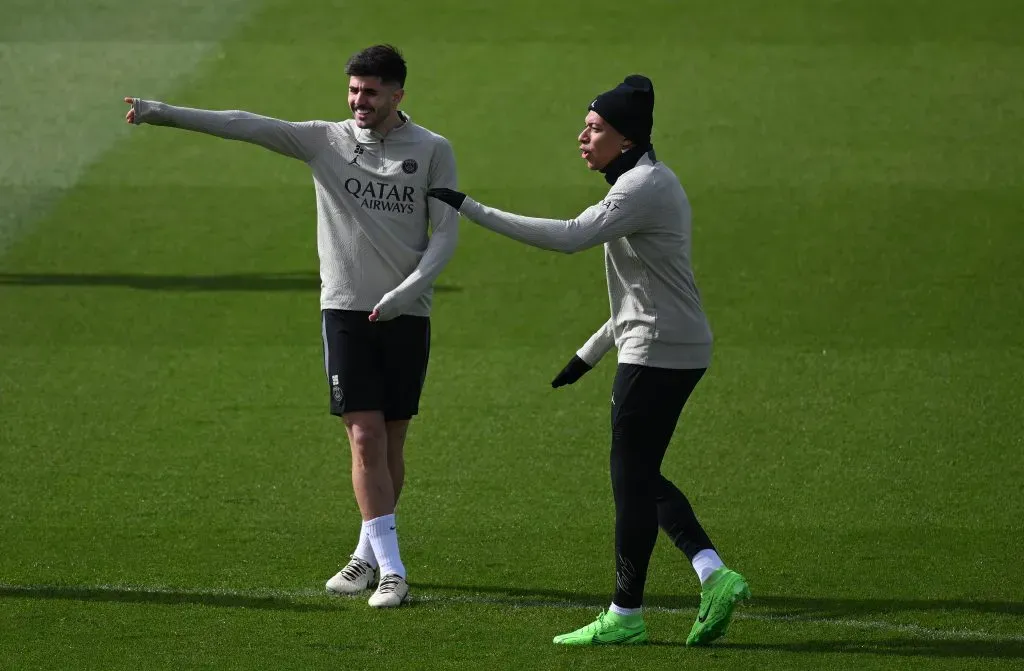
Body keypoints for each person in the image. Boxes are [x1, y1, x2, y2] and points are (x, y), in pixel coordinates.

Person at [124, 44, 458, 608]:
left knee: (392, 441)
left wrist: (406, 294)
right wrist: (161, 111)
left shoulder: (432, 150)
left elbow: (445, 233)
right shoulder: (325, 140)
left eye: (371, 92)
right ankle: (394, 572)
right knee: (364, 436)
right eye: (353, 89)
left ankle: (366, 554)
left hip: (406, 313)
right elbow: (245, 125)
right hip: (347, 309)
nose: (358, 101)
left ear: (398, 94)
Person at [427, 75, 748, 645]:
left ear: (625, 140)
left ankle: (627, 615)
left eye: (595, 129)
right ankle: (711, 574)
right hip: (670, 345)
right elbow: (644, 293)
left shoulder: (641, 187)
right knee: (641, 474)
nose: (583, 136)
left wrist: (470, 208)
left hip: (657, 354)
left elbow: (570, 237)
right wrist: (588, 353)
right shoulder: (645, 180)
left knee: (632, 480)